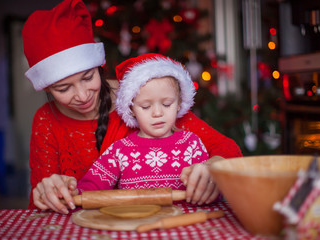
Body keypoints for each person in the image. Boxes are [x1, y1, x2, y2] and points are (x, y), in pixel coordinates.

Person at [22, 0, 242, 214]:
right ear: (47, 89)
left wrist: (213, 167)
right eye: (63, 89)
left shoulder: (143, 96)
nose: (82, 95)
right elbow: (40, 208)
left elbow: (227, 149)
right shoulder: (46, 120)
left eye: (88, 77)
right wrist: (48, 192)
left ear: (99, 66)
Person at [77, 53, 218, 205]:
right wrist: (70, 192)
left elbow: (213, 189)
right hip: (135, 225)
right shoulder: (120, 150)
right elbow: (89, 190)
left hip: (181, 225)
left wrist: (210, 186)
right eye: (145, 106)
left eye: (167, 104)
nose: (157, 113)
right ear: (131, 108)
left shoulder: (191, 145)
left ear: (179, 104)